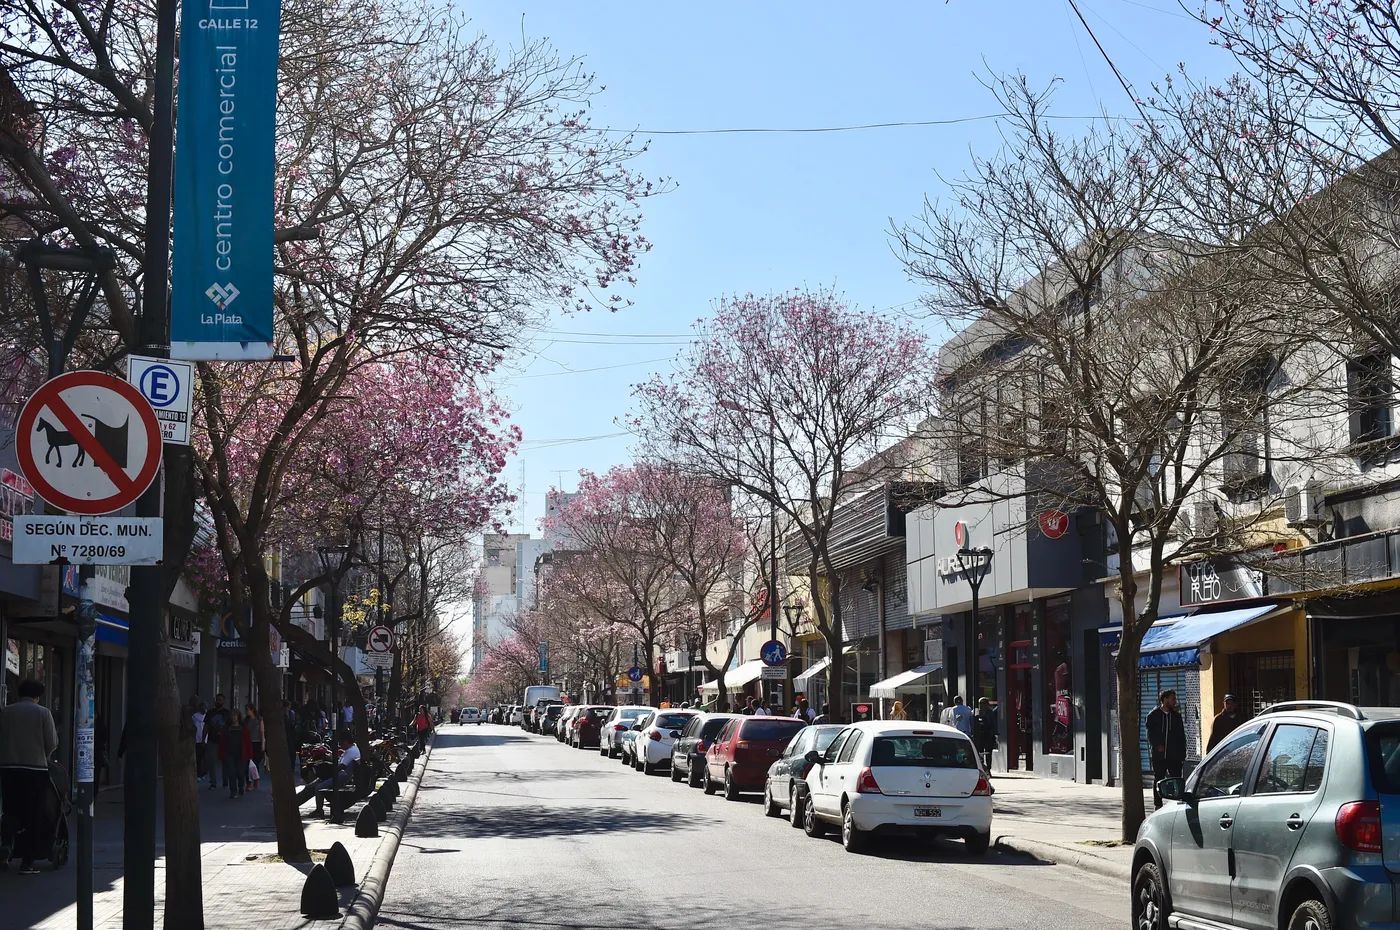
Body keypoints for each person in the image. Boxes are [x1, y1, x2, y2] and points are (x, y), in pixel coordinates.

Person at [0, 679, 59, 874]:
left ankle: (7, 845)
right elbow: (51, 742)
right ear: (37, 696)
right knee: (34, 813)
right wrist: (42, 755)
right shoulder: (43, 713)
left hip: (8, 768)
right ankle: (28, 862)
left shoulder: (5, 712)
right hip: (35, 770)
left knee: (10, 809)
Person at [1145, 689, 1187, 809]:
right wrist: (1157, 746)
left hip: (1174, 755)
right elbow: (1150, 735)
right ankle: (1157, 804)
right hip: (1159, 755)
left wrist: (1182, 753)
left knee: (1177, 779)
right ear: (1165, 700)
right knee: (1159, 778)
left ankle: (1177, 802)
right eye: (1172, 699)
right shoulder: (1153, 716)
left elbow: (1181, 735)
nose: (1175, 701)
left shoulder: (1176, 716)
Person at [203, 694, 229, 789]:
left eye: (220, 700)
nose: (218, 701)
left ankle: (225, 781)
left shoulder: (227, 713)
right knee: (211, 762)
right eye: (217, 700)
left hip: (224, 742)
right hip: (212, 741)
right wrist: (203, 739)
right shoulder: (210, 713)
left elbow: (230, 727)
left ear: (224, 701)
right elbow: (206, 727)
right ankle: (213, 782)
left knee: (225, 762)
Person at [223, 710, 247, 798]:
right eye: (232, 715)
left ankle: (241, 786)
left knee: (240, 772)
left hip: (241, 753)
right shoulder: (227, 728)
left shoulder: (243, 728)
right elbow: (223, 742)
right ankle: (233, 791)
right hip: (230, 753)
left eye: (235, 715)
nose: (233, 717)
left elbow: (247, 742)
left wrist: (248, 754)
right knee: (231, 772)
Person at [973, 697, 998, 772]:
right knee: (979, 753)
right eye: (981, 704)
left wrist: (992, 733)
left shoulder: (991, 713)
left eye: (984, 704)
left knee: (988, 753)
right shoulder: (975, 712)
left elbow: (994, 724)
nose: (982, 706)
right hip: (979, 736)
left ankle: (988, 769)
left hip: (988, 736)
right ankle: (981, 768)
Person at [244, 704, 264, 788]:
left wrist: (263, 743)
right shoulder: (246, 720)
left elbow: (262, 732)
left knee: (255, 763)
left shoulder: (259, 719)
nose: (246, 711)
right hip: (248, 743)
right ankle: (248, 781)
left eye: (247, 709)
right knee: (247, 763)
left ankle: (255, 778)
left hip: (257, 742)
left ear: (252, 710)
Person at [192, 701, 207, 780]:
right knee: (201, 757)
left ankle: (200, 773)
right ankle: (201, 773)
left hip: (198, 739)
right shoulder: (195, 716)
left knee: (199, 757)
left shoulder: (194, 716)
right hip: (203, 739)